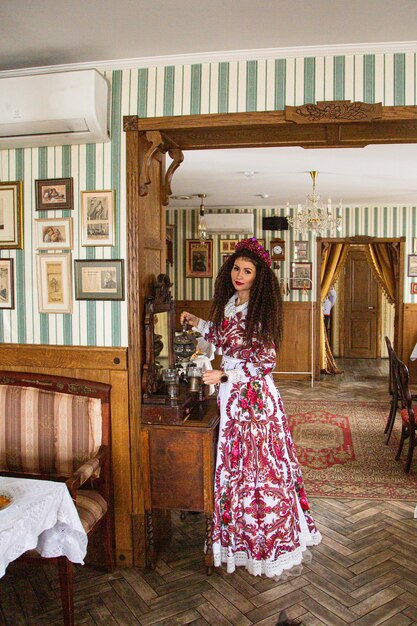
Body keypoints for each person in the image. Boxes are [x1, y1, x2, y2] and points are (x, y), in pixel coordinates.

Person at [180, 238, 321, 579]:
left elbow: (266, 362)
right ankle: (239, 540)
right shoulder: (231, 303)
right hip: (232, 396)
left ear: (259, 278)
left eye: (247, 271)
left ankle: (265, 542)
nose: (239, 276)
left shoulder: (260, 311)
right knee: (236, 469)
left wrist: (226, 373)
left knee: (258, 472)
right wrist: (198, 322)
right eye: (236, 269)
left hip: (254, 402)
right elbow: (223, 336)